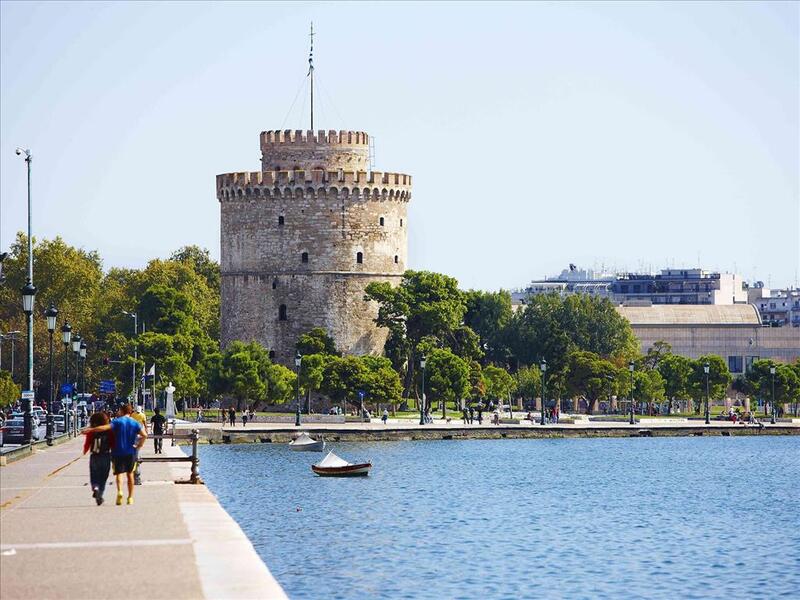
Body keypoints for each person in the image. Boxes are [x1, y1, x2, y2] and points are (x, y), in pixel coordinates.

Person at [83, 404, 147, 505]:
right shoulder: (135, 423)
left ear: (121, 411)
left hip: (117, 452)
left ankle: (120, 492)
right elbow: (144, 435)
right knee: (130, 474)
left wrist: (91, 430)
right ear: (130, 412)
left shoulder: (117, 422)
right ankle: (130, 497)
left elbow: (105, 428)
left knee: (119, 474)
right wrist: (139, 445)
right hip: (131, 452)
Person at [83, 412, 114, 505]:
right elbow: (112, 443)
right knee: (103, 477)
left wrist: (85, 451)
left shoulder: (92, 431)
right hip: (106, 455)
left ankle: (95, 487)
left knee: (94, 475)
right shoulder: (109, 431)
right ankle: (100, 494)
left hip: (94, 455)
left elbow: (87, 443)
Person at [130, 406, 148, 485]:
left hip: (134, 432)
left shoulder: (133, 414)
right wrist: (146, 430)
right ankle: (136, 456)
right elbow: (145, 423)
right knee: (137, 449)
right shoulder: (142, 415)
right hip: (140, 432)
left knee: (134, 446)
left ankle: (135, 455)